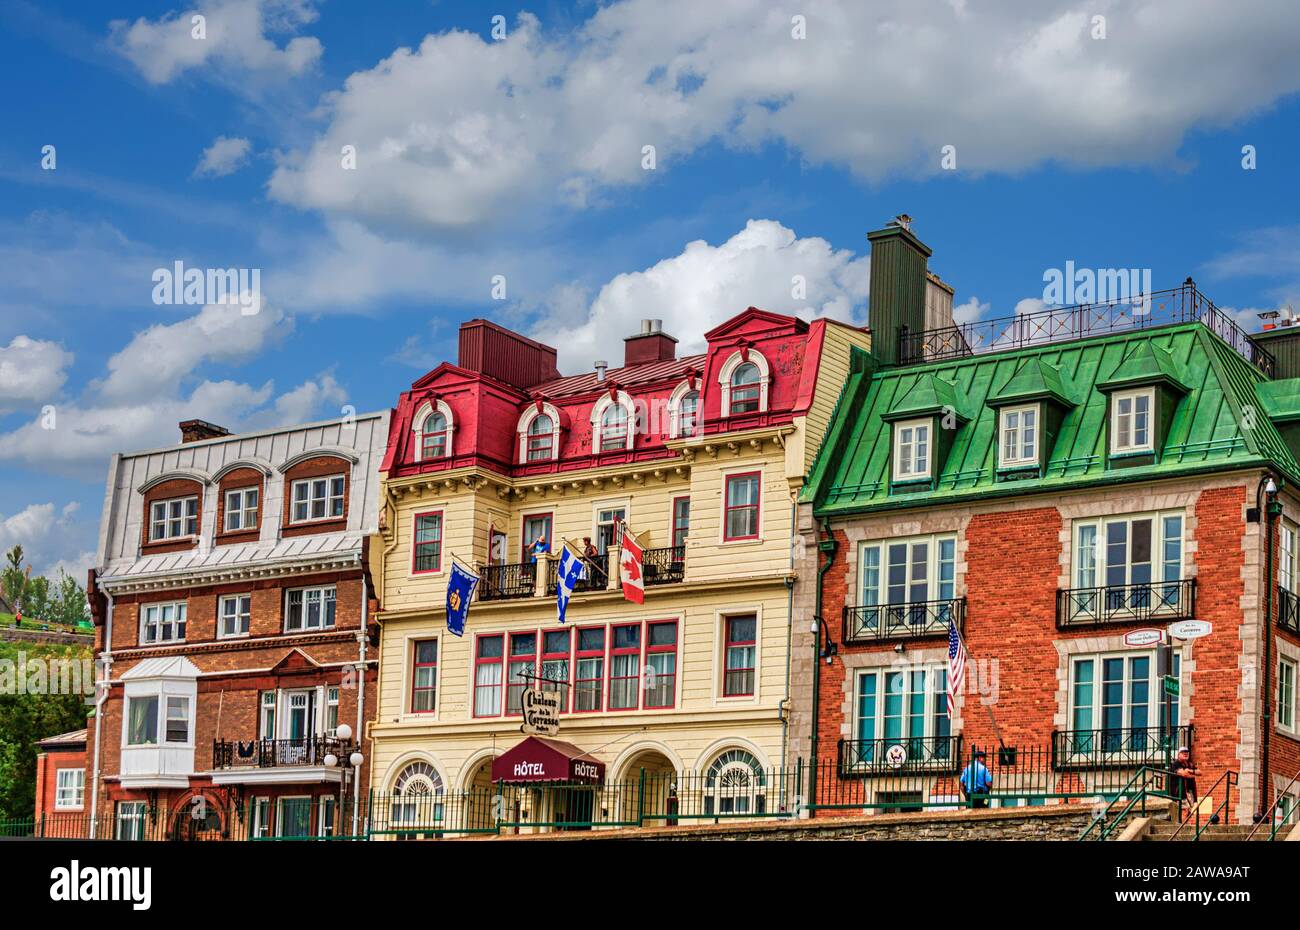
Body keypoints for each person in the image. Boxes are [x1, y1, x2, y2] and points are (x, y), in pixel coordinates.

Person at [1170, 746, 1217, 823]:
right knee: (1184, 810)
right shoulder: (1176, 764)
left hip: (1189, 792)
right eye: (1183, 753)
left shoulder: (1189, 764)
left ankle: (1181, 825)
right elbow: (1184, 774)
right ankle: (1180, 827)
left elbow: (1200, 772)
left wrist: (1190, 771)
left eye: (1187, 753)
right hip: (1179, 792)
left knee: (1189, 811)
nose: (1185, 754)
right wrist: (1191, 774)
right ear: (1178, 754)